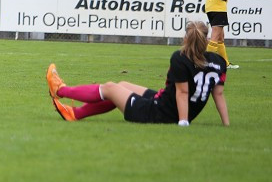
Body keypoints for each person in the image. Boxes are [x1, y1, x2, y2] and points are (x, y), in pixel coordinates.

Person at [46, 21, 229, 127]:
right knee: (122, 85)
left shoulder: (180, 58)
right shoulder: (219, 61)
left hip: (158, 113)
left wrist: (182, 122)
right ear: (205, 40)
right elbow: (218, 94)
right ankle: (75, 114)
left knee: (110, 88)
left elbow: (182, 93)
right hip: (166, 104)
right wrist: (226, 125)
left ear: (185, 39)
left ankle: (61, 90)